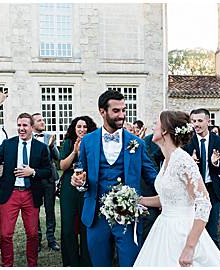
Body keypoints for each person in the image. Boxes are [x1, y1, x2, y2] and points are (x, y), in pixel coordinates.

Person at [71, 90, 158, 267]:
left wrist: (174, 186)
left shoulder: (137, 143)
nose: (122, 115)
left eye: (124, 110)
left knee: (130, 264)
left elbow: (153, 177)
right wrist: (79, 182)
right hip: (96, 216)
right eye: (116, 111)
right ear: (102, 112)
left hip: (128, 216)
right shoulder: (87, 141)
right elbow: (82, 173)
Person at [134, 110, 220, 267]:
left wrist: (189, 247)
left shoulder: (183, 160)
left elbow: (204, 203)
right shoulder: (167, 161)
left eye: (156, 123)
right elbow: (167, 198)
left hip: (182, 230)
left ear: (165, 130)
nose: (153, 127)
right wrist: (137, 199)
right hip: (163, 227)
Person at [0, 113, 55, 267]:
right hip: (10, 193)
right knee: (5, 234)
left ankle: (32, 265)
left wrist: (32, 172)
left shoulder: (41, 148)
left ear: (32, 127)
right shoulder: (8, 144)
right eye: (19, 125)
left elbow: (48, 171)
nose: (21, 128)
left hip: (30, 194)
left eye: (25, 125)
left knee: (32, 234)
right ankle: (7, 265)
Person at [184, 108, 220, 246]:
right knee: (193, 229)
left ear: (208, 121)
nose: (196, 124)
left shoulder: (219, 141)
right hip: (192, 191)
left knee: (212, 230)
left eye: (200, 121)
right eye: (194, 121)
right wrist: (190, 163)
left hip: (212, 190)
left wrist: (216, 163)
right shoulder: (187, 141)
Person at [57, 116, 96, 266]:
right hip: (69, 189)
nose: (82, 129)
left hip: (88, 187)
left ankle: (87, 261)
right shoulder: (68, 143)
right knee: (68, 226)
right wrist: (74, 152)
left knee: (86, 225)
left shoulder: (93, 143)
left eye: (85, 127)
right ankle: (70, 262)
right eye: (79, 126)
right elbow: (62, 166)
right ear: (74, 128)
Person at [30, 112, 61, 251]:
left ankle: (51, 239)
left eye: (43, 120)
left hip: (49, 179)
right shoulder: (29, 139)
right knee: (34, 210)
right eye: (39, 120)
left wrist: (52, 146)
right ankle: (36, 240)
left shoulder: (49, 137)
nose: (43, 122)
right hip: (35, 179)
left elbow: (57, 157)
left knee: (50, 210)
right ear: (32, 125)